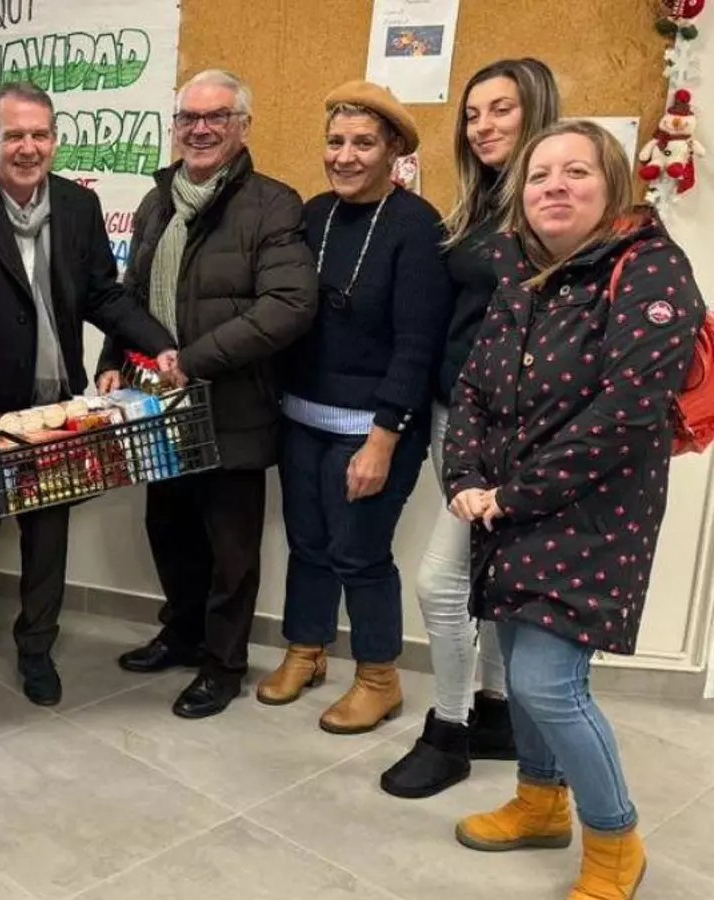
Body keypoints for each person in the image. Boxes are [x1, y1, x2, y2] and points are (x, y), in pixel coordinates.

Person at [445, 119, 703, 900]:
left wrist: (513, 494)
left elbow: (627, 411)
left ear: (612, 184)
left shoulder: (651, 269)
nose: (555, 186)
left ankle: (616, 841)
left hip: (594, 517)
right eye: (540, 175)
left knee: (549, 684)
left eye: (577, 171)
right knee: (519, 665)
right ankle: (539, 800)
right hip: (506, 512)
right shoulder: (521, 272)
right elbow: (474, 388)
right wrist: (464, 476)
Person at [0, 81, 182, 721]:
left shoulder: (77, 206)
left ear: (54, 140)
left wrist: (159, 344)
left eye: (40, 134)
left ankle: (37, 651)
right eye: (15, 136)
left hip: (56, 410)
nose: (28, 148)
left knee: (48, 541)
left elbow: (104, 296)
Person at [106, 69, 318, 719]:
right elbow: (131, 295)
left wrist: (194, 362)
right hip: (159, 408)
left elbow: (289, 305)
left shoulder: (273, 204)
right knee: (168, 529)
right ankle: (181, 634)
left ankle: (223, 665)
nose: (199, 129)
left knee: (231, 549)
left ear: (242, 127)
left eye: (216, 117)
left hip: (233, 408)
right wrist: (113, 360)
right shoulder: (157, 201)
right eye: (188, 118)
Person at [380, 57, 562, 799]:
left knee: (441, 582)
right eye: (473, 113)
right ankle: (495, 712)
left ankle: (449, 731)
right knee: (483, 575)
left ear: (538, 111)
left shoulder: (547, 210)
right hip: (453, 413)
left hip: (503, 429)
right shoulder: (483, 205)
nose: (482, 126)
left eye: (501, 110)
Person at [259, 82, 451, 735]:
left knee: (360, 552)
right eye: (335, 141)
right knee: (308, 545)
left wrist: (383, 439)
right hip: (301, 419)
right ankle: (306, 650)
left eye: (363, 143)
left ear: (394, 150)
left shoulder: (417, 227)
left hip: (372, 428)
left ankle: (378, 678)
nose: (344, 156)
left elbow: (417, 346)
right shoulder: (313, 215)